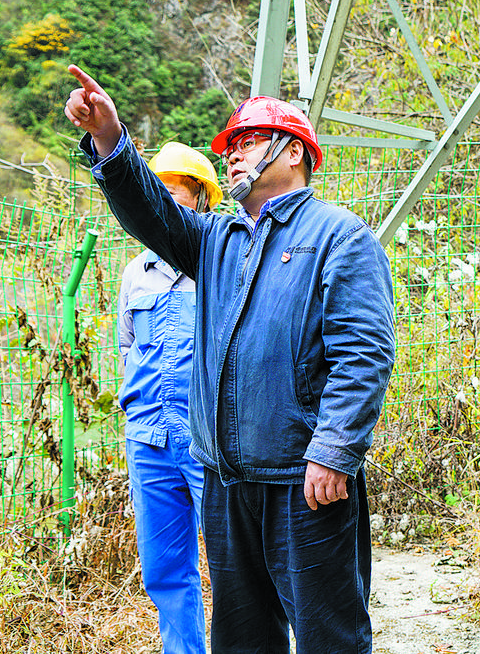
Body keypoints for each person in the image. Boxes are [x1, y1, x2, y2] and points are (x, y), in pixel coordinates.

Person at [65, 64, 396, 654]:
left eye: (248, 141)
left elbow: (364, 354)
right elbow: (152, 212)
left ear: (293, 152)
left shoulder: (340, 237)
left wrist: (333, 450)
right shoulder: (216, 240)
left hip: (305, 481)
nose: (233, 155)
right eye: (231, 146)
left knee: (328, 636)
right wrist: (110, 139)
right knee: (242, 639)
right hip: (226, 481)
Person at [117, 141, 223, 654]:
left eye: (175, 195)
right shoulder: (134, 275)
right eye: (155, 194)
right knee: (164, 570)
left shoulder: (219, 262)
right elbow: (128, 349)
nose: (161, 207)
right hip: (149, 442)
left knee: (234, 565)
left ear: (201, 200)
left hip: (210, 441)